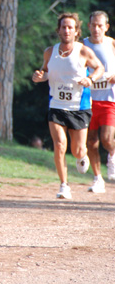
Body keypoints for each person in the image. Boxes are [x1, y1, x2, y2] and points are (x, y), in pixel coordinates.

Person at [32, 12, 104, 200]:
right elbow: (45, 72)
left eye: (70, 27)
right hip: (56, 105)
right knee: (59, 144)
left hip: (79, 107)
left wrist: (91, 79)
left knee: (77, 150)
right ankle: (64, 185)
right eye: (63, 27)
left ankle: (82, 156)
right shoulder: (50, 52)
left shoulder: (83, 51)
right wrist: (39, 76)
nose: (66, 30)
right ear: (58, 30)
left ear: (76, 31)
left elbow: (100, 68)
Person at [83, 10, 115, 192]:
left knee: (107, 139)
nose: (96, 29)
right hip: (89, 100)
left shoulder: (111, 44)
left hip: (110, 100)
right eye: (93, 25)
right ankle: (98, 179)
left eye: (100, 26)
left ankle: (112, 153)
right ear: (88, 26)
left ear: (106, 27)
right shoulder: (83, 46)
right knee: (91, 141)